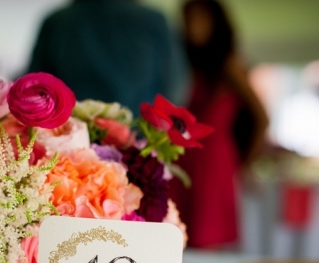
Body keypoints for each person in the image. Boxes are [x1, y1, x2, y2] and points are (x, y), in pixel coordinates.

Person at [170, 0, 269, 249]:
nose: (192, 27)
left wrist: (246, 164)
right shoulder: (183, 65)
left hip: (214, 164)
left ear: (216, 23)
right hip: (182, 161)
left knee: (208, 239)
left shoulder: (228, 65)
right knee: (175, 238)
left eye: (199, 19)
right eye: (188, 20)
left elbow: (261, 117)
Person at [25, 0, 187, 116]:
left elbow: (35, 89)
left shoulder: (57, 23)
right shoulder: (153, 23)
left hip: (71, 148)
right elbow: (176, 89)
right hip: (138, 152)